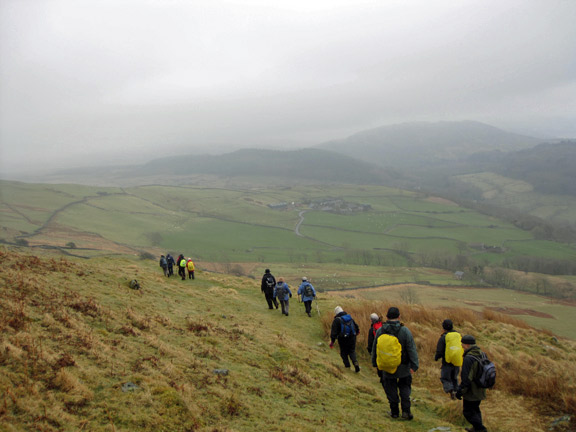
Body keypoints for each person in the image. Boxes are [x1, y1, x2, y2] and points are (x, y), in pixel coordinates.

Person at [371, 307, 419, 420]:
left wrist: (375, 363)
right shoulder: (405, 331)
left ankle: (394, 412)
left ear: (387, 317)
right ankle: (406, 412)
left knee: (390, 388)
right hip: (403, 366)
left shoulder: (380, 330)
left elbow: (375, 348)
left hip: (387, 366)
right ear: (399, 316)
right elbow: (411, 348)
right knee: (405, 388)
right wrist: (414, 365)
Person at [455, 335, 488, 432]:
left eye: (462, 343)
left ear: (467, 344)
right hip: (481, 388)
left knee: (468, 412)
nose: (461, 345)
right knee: (476, 410)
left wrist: (460, 391)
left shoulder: (469, 358)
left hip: (472, 391)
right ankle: (476, 429)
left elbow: (466, 379)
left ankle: (481, 429)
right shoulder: (482, 354)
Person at [435, 319, 463, 399]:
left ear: (443, 327)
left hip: (447, 362)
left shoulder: (444, 337)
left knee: (445, 378)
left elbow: (439, 350)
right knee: (454, 378)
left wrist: (436, 357)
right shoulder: (458, 335)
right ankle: (457, 393)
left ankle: (451, 392)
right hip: (457, 361)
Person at [330, 306, 360, 372]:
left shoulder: (337, 320)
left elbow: (333, 333)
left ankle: (347, 366)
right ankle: (355, 362)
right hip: (352, 337)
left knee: (343, 352)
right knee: (352, 351)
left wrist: (332, 342)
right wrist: (356, 334)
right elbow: (357, 328)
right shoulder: (349, 317)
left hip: (342, 338)